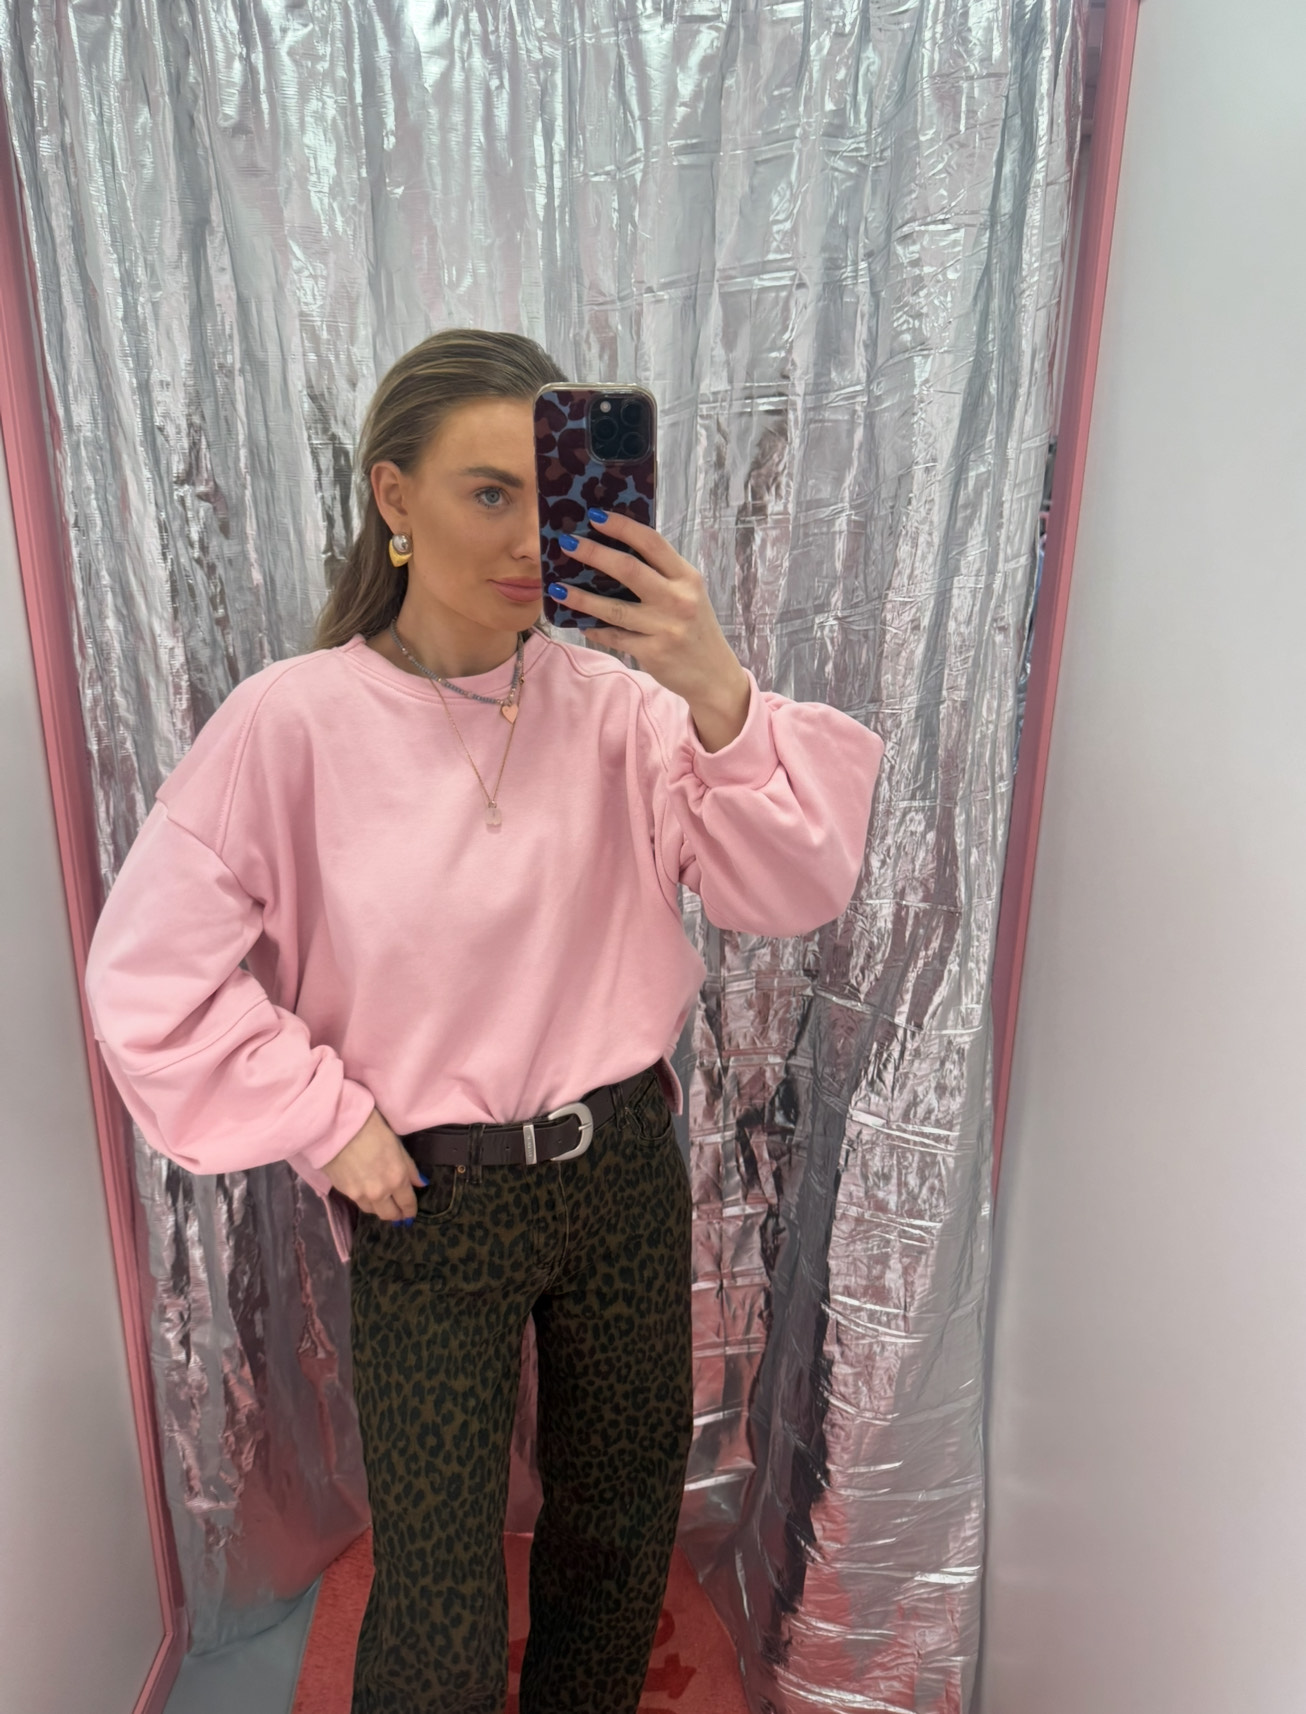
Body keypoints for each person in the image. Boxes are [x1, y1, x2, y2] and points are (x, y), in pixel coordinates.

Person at [83, 327, 885, 1714]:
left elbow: (794, 884)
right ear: (393, 495)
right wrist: (325, 1120)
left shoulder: (625, 712)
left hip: (619, 1172)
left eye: (549, 493)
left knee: (619, 1520)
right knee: (440, 1580)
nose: (526, 537)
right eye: (488, 491)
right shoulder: (291, 724)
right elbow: (149, 974)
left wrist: (714, 685)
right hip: (427, 1191)